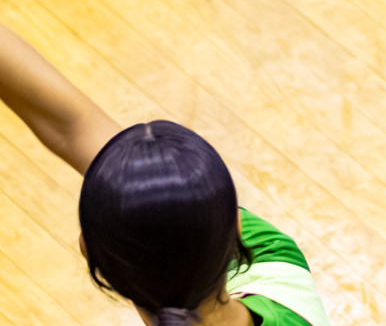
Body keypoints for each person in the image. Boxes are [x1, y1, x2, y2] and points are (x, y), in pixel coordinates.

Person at [0, 22, 330, 326]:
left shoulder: (269, 255)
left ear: (90, 254)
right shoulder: (274, 257)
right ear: (238, 228)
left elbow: (73, 126)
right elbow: (73, 125)